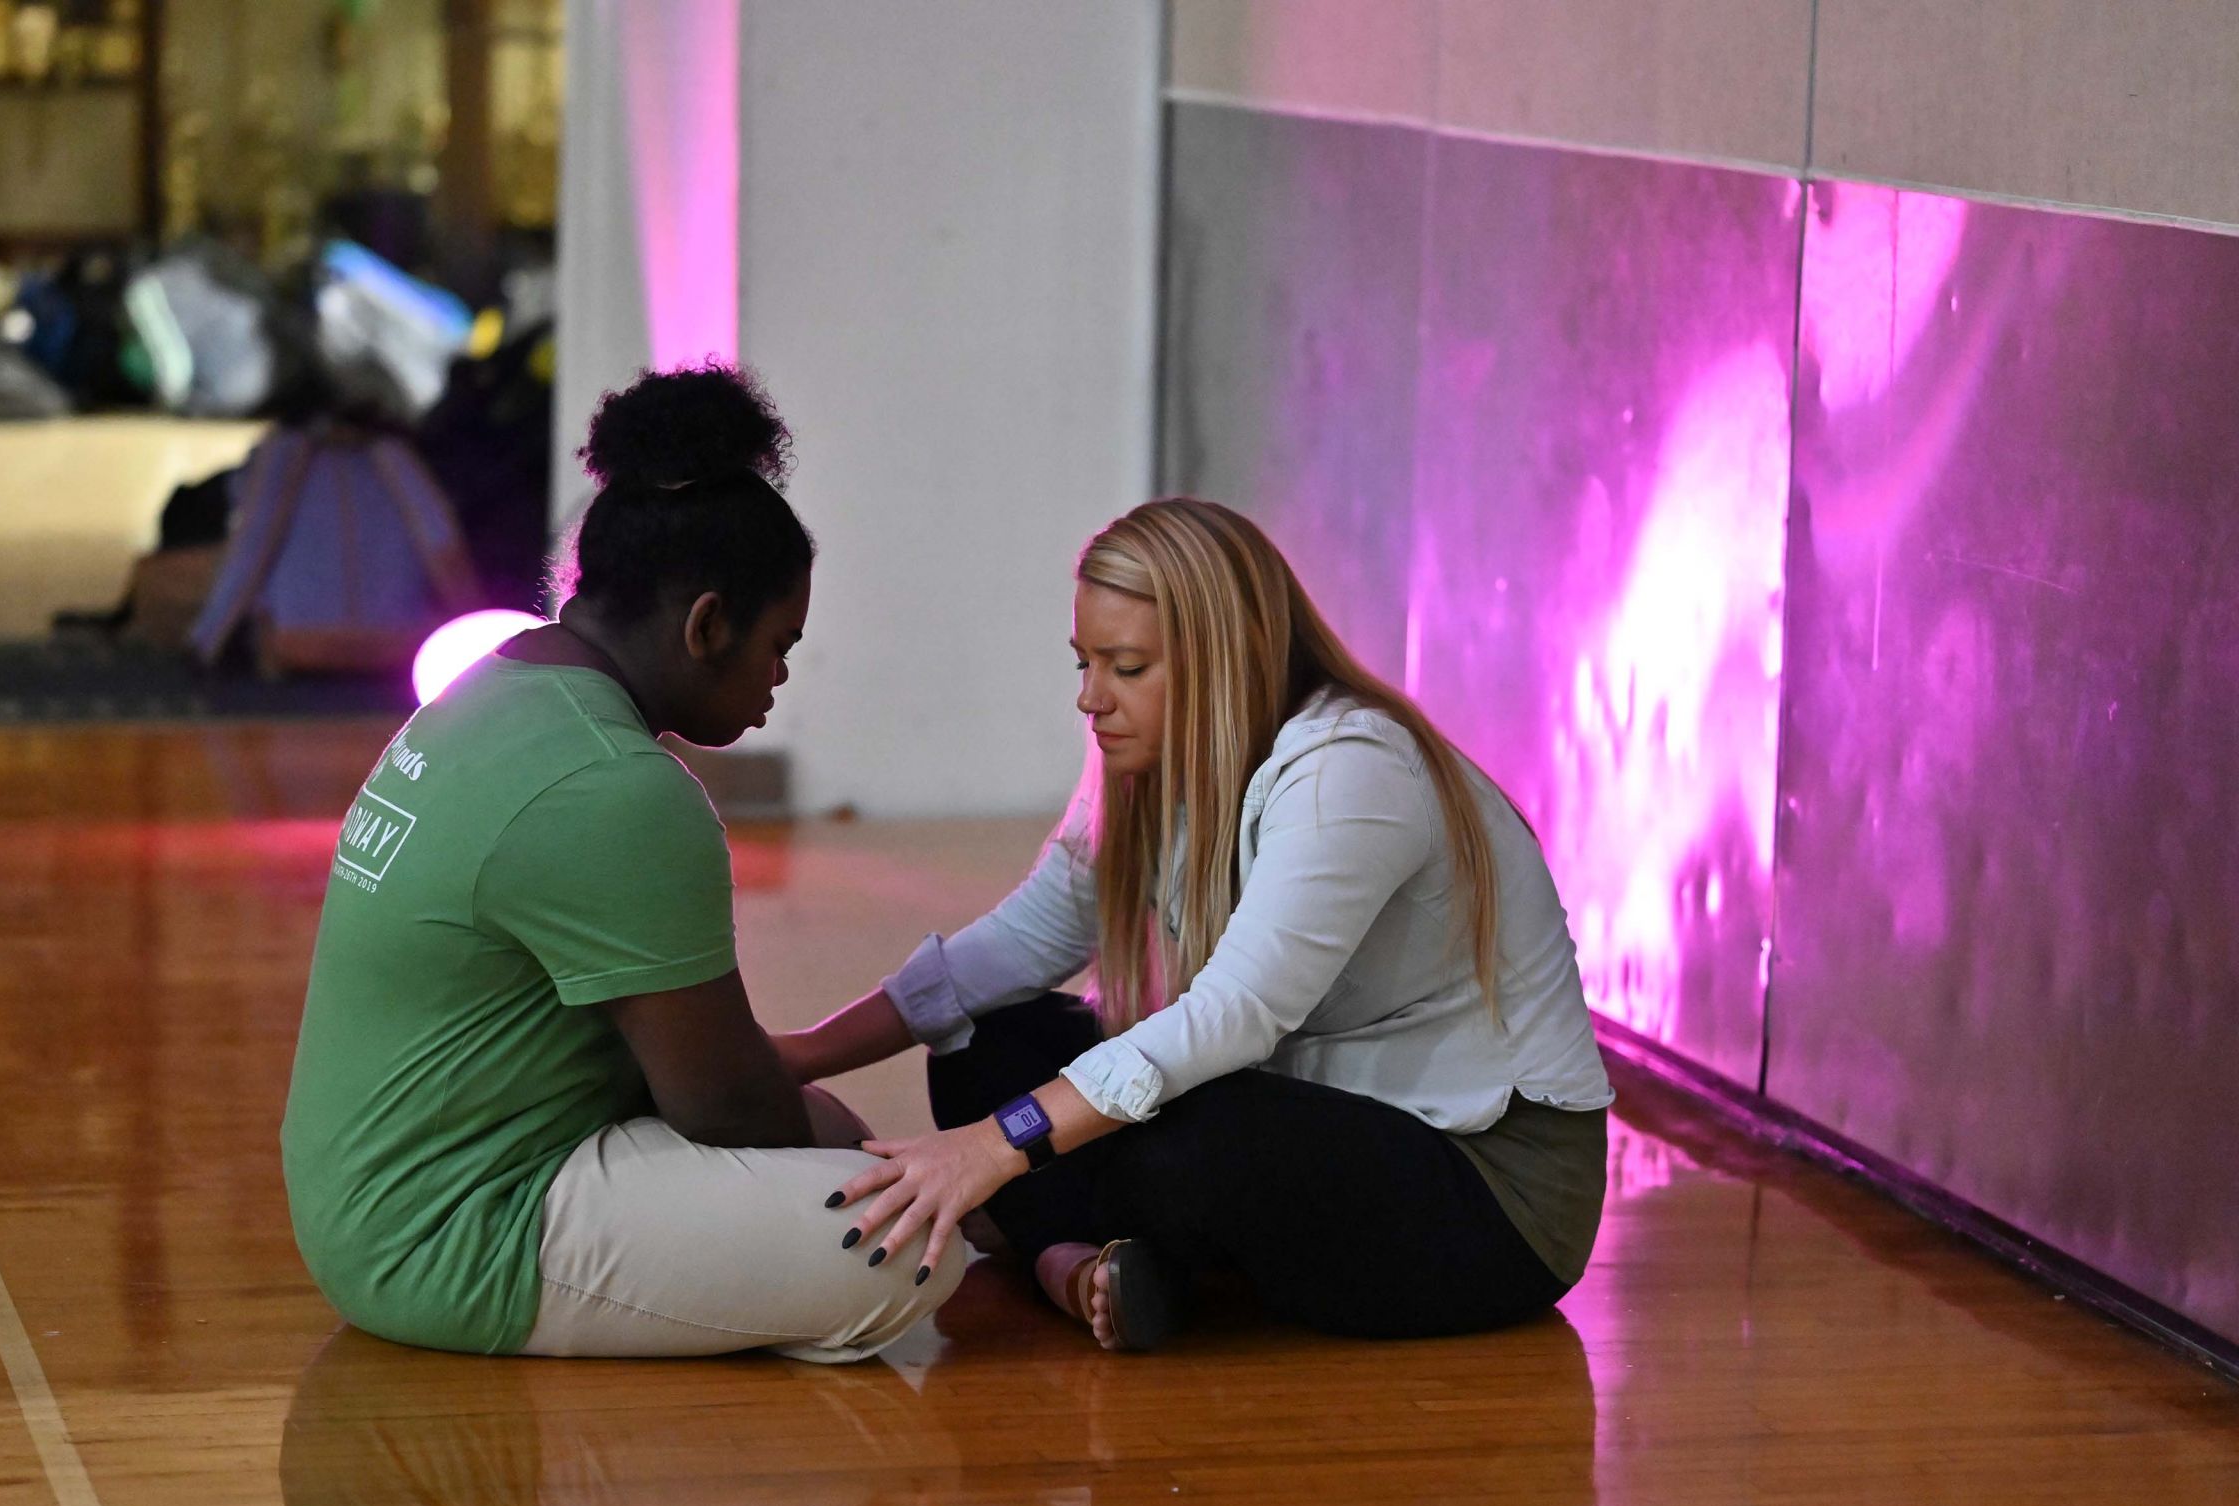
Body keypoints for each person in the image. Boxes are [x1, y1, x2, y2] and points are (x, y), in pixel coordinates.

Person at [780, 497, 1615, 1351]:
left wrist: (995, 1148)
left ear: (1227, 659)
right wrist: (797, 1053)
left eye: (1127, 666)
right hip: (1324, 1121)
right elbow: (1012, 949)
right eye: (1085, 663)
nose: (1090, 698)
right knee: (984, 1042)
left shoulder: (1353, 770)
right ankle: (1091, 1262)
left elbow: (1233, 1016)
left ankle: (1062, 1251)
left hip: (1493, 1194)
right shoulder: (1153, 762)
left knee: (1180, 1147)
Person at [281, 364, 961, 1362]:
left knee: (862, 1175)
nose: (779, 677)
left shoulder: (488, 694)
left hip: (371, 1192)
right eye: (778, 643)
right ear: (705, 623)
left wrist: (830, 1130)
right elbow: (721, 1104)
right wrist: (841, 1139)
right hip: (454, 1234)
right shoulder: (616, 786)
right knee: (904, 1246)